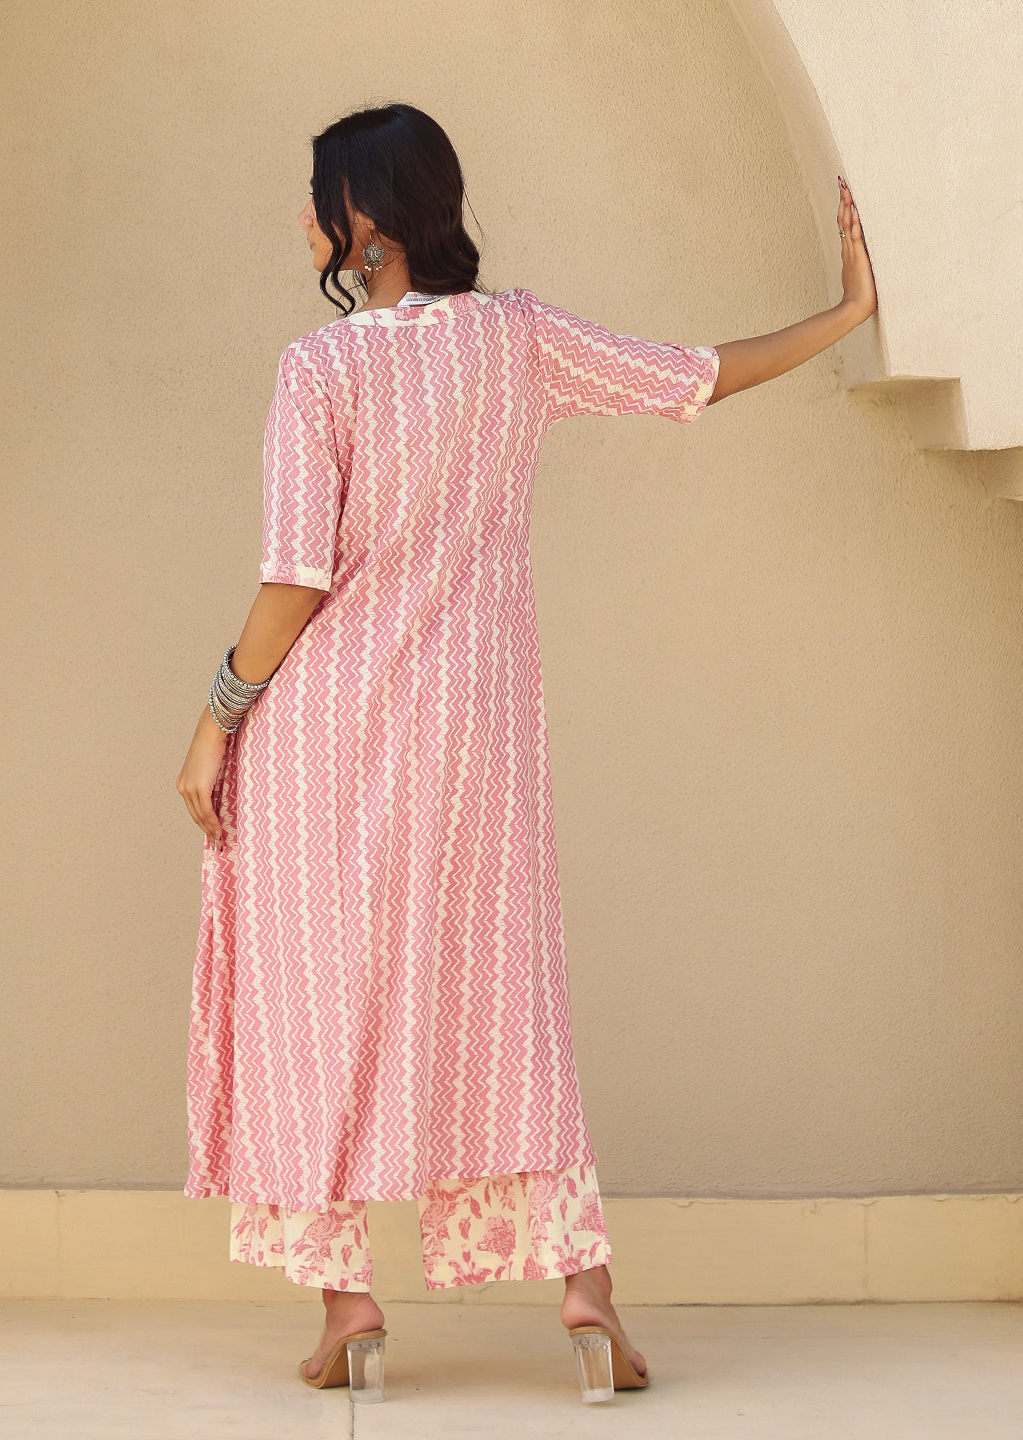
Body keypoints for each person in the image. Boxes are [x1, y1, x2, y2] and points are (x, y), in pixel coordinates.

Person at [176, 102, 877, 1403]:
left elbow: (293, 579)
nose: (303, 219)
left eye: (318, 196)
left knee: (319, 1001)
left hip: (324, 733)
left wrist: (217, 719)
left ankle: (348, 1309)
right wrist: (846, 313)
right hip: (476, 736)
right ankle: (586, 1291)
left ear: (365, 220)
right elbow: (695, 374)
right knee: (502, 998)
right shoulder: (520, 338)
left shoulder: (319, 369)